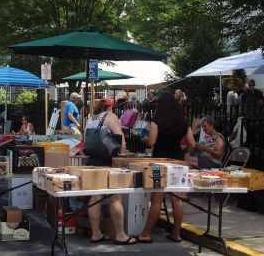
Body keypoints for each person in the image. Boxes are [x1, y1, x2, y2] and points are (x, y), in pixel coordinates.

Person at [136, 93, 196, 243]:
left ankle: (146, 233)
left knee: (156, 200)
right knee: (177, 199)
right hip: (178, 162)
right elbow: (192, 144)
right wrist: (184, 151)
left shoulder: (157, 121)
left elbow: (152, 141)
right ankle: (176, 234)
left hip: (159, 163)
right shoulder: (183, 122)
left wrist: (144, 139)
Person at [84, 98, 136, 245]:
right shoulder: (110, 117)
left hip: (92, 161)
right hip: (107, 162)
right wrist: (122, 154)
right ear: (110, 107)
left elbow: (86, 138)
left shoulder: (91, 118)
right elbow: (121, 140)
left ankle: (96, 233)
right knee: (115, 198)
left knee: (95, 198)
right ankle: (120, 235)